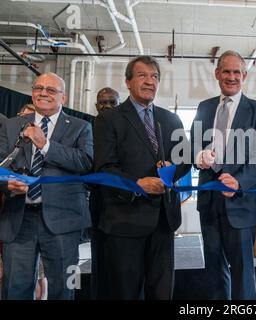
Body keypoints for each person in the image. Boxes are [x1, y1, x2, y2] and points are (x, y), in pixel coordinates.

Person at [94, 56, 190, 300]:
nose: (150, 81)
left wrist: (171, 168)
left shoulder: (171, 120)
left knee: (162, 292)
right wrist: (136, 184)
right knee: (125, 293)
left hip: (164, 222)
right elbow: (104, 168)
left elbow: (185, 160)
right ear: (128, 82)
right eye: (142, 75)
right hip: (125, 221)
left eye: (155, 76)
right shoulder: (108, 119)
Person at [0, 72, 93, 300]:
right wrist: (6, 183)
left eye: (51, 90)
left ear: (64, 97)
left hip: (63, 222)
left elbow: (85, 163)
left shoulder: (81, 127)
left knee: (64, 289)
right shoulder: (12, 125)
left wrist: (45, 145)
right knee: (15, 290)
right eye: (38, 88)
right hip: (19, 220)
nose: (43, 93)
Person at [190, 50, 256, 300]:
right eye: (226, 71)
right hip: (209, 202)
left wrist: (239, 181)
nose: (231, 76)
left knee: (242, 272)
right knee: (214, 270)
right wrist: (198, 157)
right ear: (217, 74)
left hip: (241, 203)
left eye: (237, 72)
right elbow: (192, 145)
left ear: (244, 75)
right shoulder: (204, 108)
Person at [89, 87, 120, 299]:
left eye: (112, 103)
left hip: (123, 205)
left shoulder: (126, 131)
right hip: (97, 204)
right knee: (98, 257)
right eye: (102, 103)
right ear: (96, 106)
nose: (107, 107)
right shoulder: (85, 130)